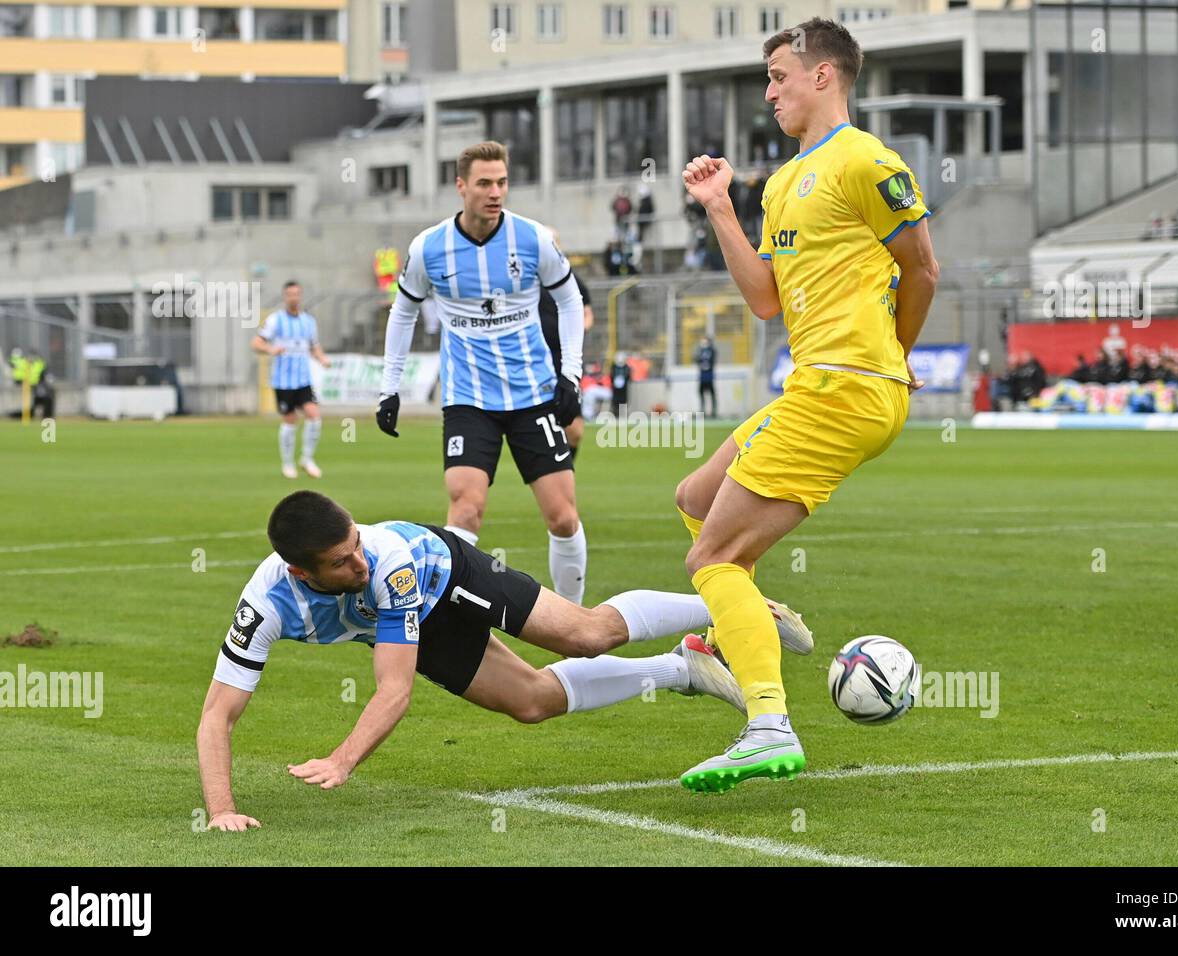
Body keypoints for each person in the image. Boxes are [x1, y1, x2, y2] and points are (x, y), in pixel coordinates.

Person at [196, 490, 815, 831]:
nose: (358, 564)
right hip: (412, 620)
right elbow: (218, 714)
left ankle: (737, 607)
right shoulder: (267, 605)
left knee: (583, 633)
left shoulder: (388, 561)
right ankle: (684, 667)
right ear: (301, 573)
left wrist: (342, 759)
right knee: (532, 702)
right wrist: (221, 811)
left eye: (356, 544)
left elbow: (394, 691)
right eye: (341, 563)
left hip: (446, 571)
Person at [674, 17, 938, 793]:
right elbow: (765, 300)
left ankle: (766, 725)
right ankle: (747, 622)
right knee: (694, 499)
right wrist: (719, 205)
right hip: (816, 382)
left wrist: (896, 354)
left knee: (711, 558)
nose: (770, 91)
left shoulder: (866, 160)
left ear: (823, 76)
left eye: (779, 76)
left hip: (847, 385)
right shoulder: (784, 182)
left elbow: (922, 268)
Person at [376, 141, 590, 605]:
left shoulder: (532, 238)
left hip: (534, 396)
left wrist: (570, 375)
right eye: (484, 183)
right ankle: (450, 619)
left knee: (562, 518)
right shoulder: (429, 247)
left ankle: (576, 621)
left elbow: (571, 300)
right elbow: (403, 313)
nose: (496, 192)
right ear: (461, 187)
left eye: (502, 182)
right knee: (466, 508)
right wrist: (389, 388)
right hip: (468, 400)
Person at [251, 281, 331, 479]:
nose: (293, 297)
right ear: (285, 297)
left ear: (300, 296)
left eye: (296, 294)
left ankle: (307, 458)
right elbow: (256, 342)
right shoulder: (275, 320)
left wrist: (322, 359)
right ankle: (287, 464)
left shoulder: (308, 322)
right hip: (283, 380)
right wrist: (271, 349)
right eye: (289, 294)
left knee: (314, 416)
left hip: (303, 379)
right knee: (290, 420)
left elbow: (314, 346)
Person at [537, 231, 595, 457]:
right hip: (535, 359)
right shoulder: (528, 279)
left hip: (564, 359)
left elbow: (587, 315)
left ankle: (564, 472)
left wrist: (577, 331)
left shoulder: (571, 280)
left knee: (575, 430)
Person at [695, 336, 717, 417]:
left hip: (709, 376)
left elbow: (712, 361)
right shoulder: (700, 351)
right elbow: (696, 359)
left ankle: (713, 412)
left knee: (712, 394)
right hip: (702, 377)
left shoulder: (712, 350)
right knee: (701, 393)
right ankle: (702, 411)